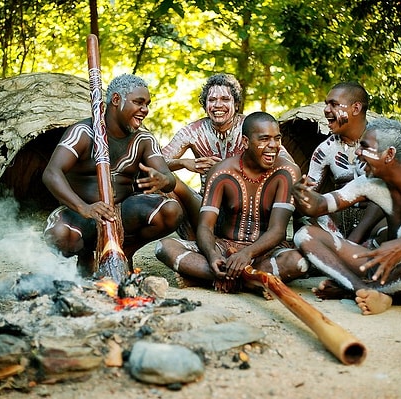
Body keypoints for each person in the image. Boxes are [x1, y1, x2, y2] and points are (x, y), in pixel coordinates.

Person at [293, 118, 401, 315]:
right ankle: (360, 289)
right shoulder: (370, 182)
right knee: (305, 235)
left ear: (389, 154)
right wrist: (302, 196)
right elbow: (320, 205)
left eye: (364, 146)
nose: (357, 152)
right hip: (382, 268)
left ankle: (359, 290)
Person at [42, 73, 182, 277]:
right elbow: (51, 173)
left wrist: (164, 179)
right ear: (116, 100)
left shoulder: (144, 139)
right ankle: (86, 256)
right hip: (83, 212)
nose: (145, 110)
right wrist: (84, 208)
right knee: (60, 236)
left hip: (123, 214)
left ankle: (122, 253)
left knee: (171, 211)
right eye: (139, 102)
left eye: (147, 104)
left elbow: (168, 179)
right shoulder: (83, 132)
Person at [156, 111, 308, 293]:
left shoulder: (287, 172)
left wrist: (247, 254)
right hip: (225, 247)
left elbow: (278, 230)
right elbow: (205, 227)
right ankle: (250, 280)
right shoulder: (222, 172)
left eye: (277, 138)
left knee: (298, 262)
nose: (273, 146)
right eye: (264, 139)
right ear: (245, 142)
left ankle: (216, 277)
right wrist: (212, 255)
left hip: (266, 253)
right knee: (164, 247)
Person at [161, 73, 293, 239]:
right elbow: (156, 161)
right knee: (164, 180)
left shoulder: (251, 128)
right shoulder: (192, 132)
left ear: (236, 104)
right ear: (205, 104)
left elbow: (288, 163)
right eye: (212, 100)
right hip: (206, 207)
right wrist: (185, 163)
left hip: (246, 208)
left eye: (225, 99)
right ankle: (196, 240)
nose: (218, 105)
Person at [304, 82, 384, 244]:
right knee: (304, 233)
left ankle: (351, 251)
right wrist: (301, 196)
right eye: (326, 104)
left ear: (355, 108)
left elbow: (390, 195)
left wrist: (355, 237)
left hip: (377, 223)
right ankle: (346, 251)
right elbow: (309, 197)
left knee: (393, 228)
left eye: (333, 104)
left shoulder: (384, 143)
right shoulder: (325, 150)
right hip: (340, 226)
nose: (326, 110)